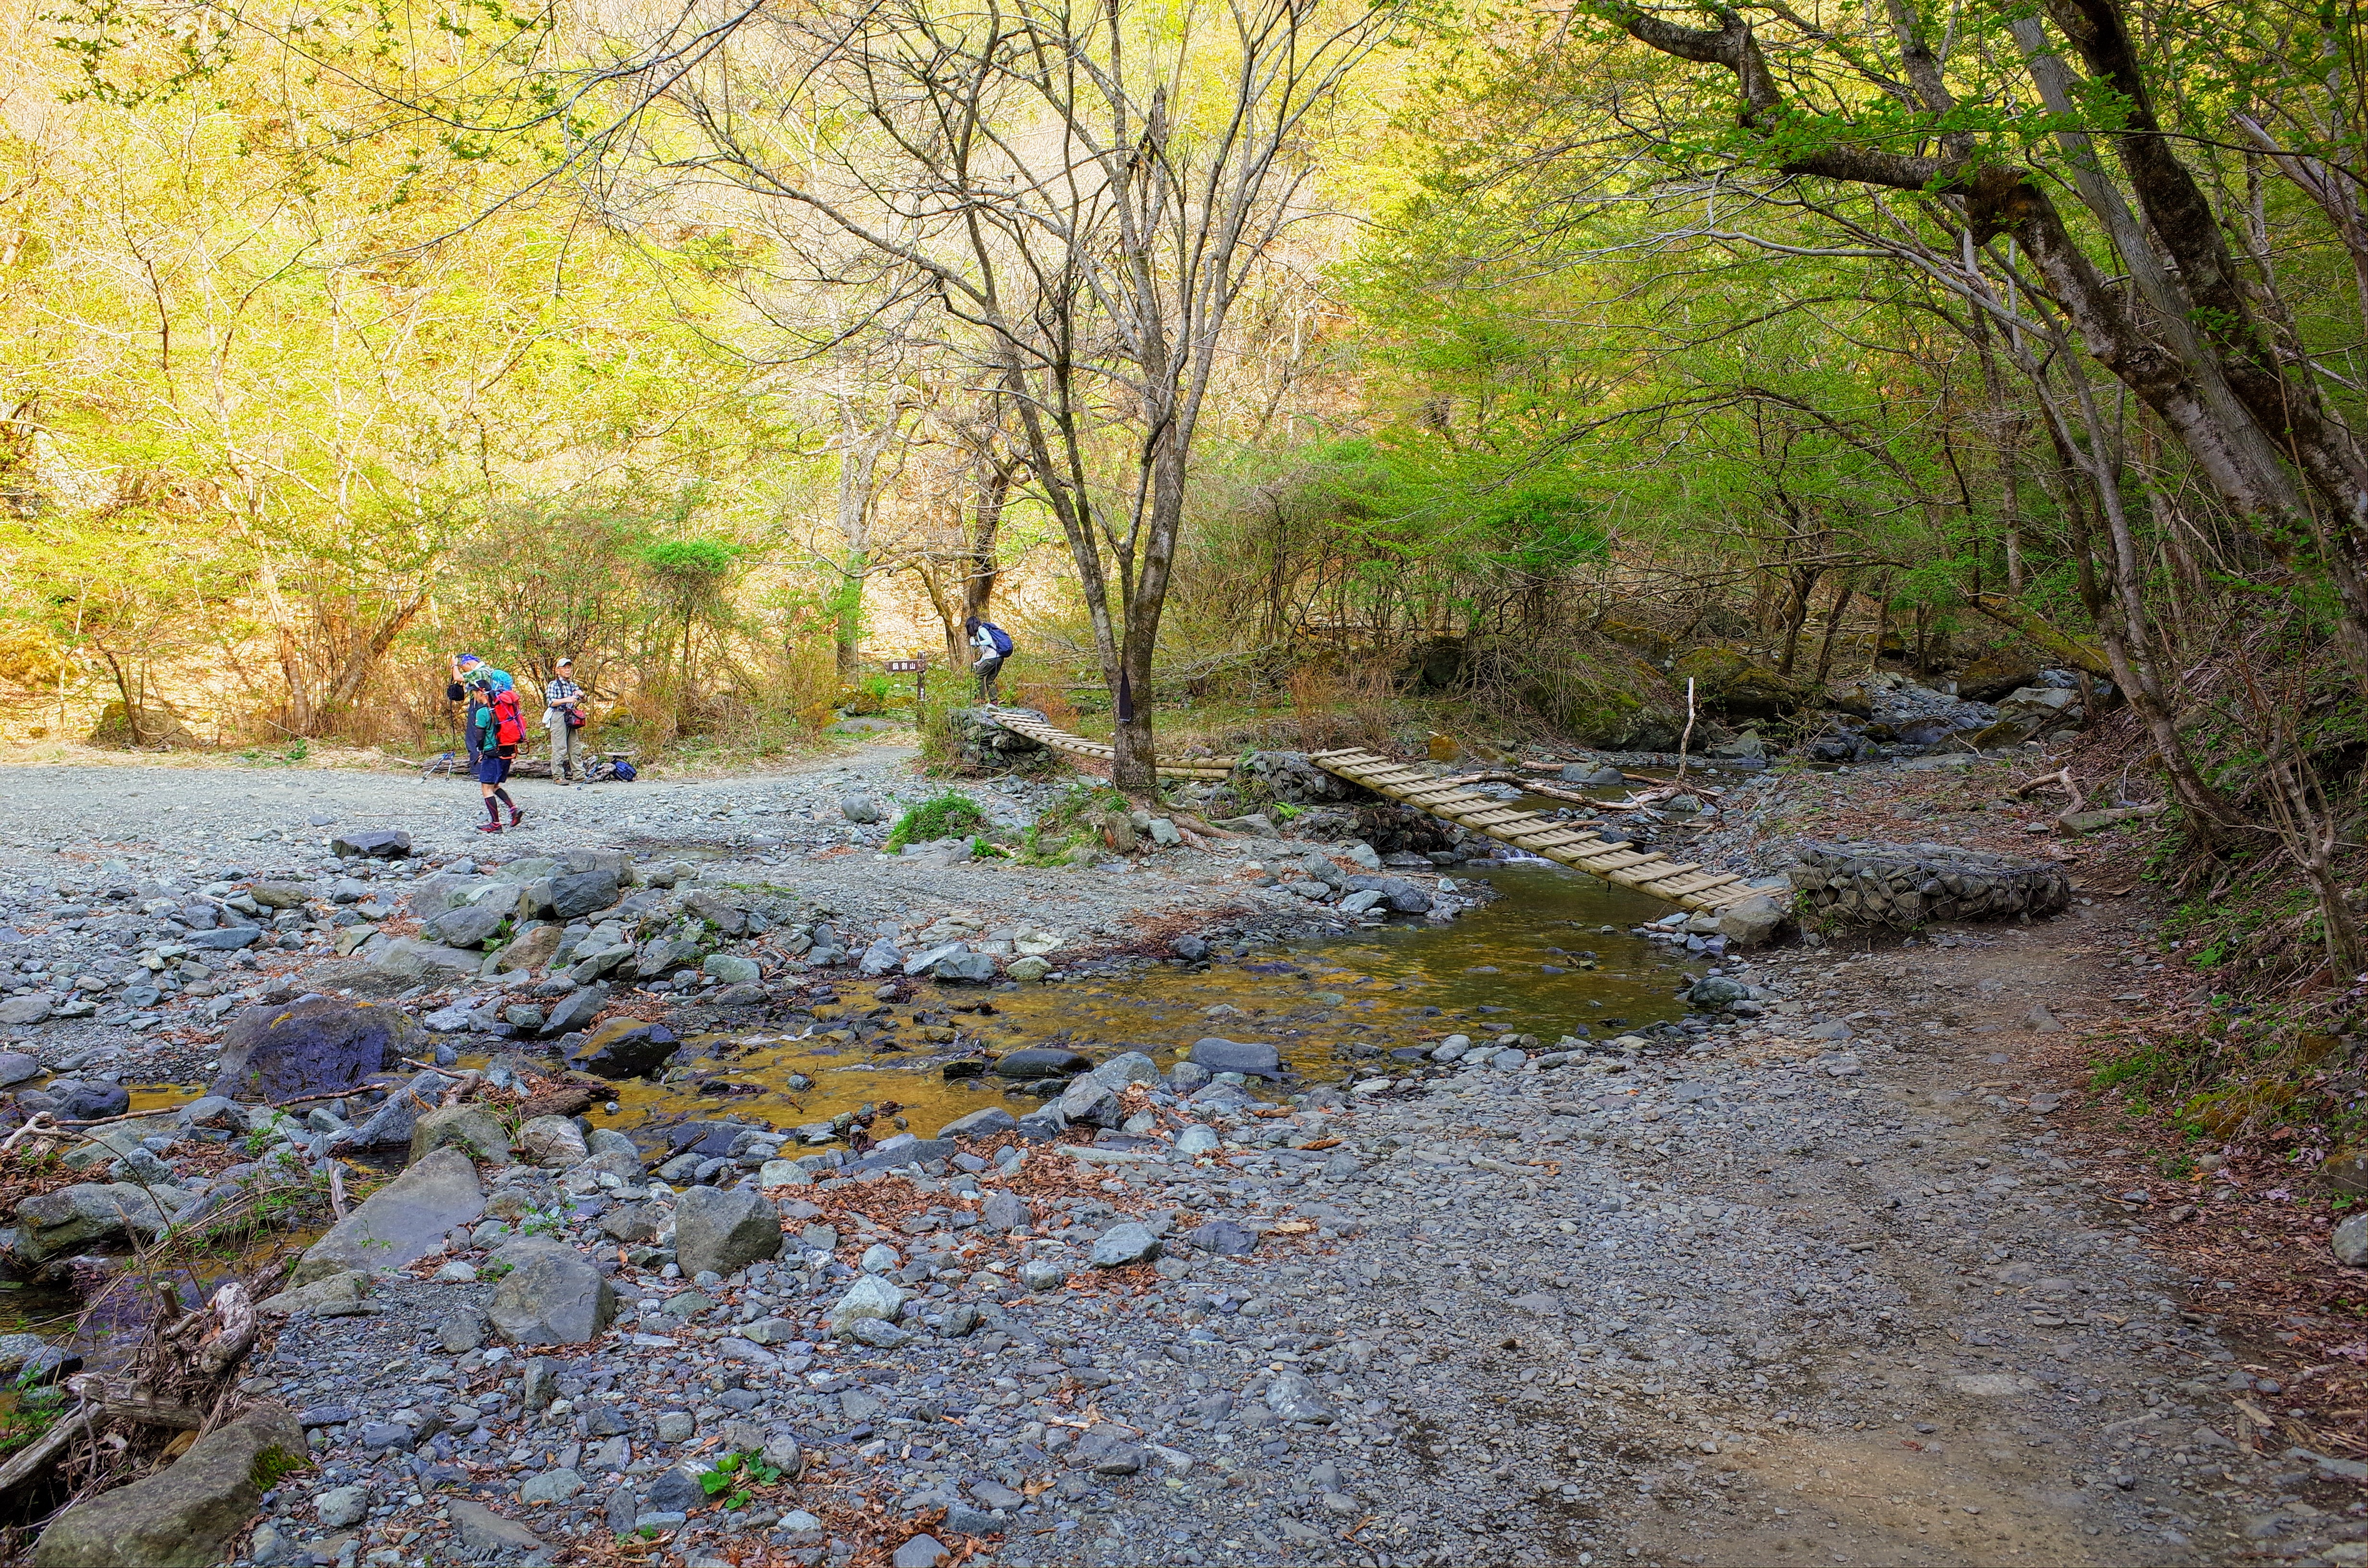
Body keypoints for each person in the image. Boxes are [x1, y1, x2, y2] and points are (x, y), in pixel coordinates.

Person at [467, 671, 526, 833]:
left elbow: (479, 736)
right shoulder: (501, 709)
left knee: (486, 788)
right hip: (507, 751)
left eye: (474, 693)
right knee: (496, 785)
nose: (474, 697)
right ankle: (513, 810)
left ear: (481, 693)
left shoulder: (483, 712)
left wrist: (480, 751)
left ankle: (496, 824)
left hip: (492, 754)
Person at [544, 658, 585, 784]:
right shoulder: (553, 685)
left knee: (575, 747)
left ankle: (579, 775)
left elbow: (584, 700)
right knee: (560, 747)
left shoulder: (573, 685)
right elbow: (551, 702)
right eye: (564, 668)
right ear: (558, 670)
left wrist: (583, 695)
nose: (568, 670)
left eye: (569, 667)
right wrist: (567, 700)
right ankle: (558, 776)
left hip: (570, 716)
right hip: (558, 716)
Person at [447, 654, 486, 767]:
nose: (465, 672)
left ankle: (476, 770)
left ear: (468, 664)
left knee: (474, 737)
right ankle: (480, 768)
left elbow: (458, 678)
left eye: (464, 669)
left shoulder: (480, 672)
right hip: (482, 706)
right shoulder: (486, 671)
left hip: (479, 706)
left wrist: (454, 665)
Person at [966, 615, 1013, 702]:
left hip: (993, 658)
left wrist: (977, 643)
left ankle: (981, 699)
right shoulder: (983, 631)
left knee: (978, 676)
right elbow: (988, 651)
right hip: (999, 658)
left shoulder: (981, 630)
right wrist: (980, 662)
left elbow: (989, 641)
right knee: (990, 680)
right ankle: (994, 702)